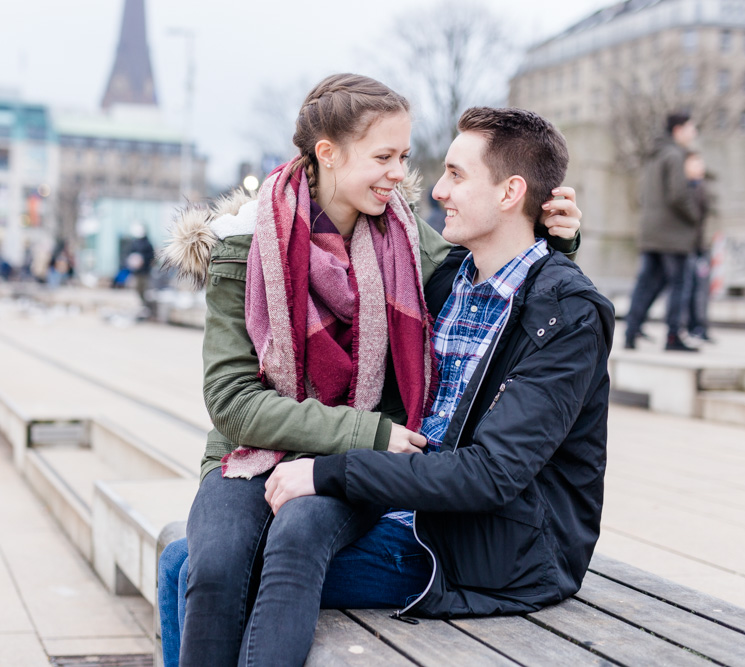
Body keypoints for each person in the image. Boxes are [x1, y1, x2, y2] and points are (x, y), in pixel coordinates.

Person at [160, 77, 583, 667]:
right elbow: (232, 401)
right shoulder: (243, 248)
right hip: (257, 450)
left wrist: (554, 235)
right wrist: (370, 434)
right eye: (383, 157)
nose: (401, 175)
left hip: (360, 469)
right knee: (207, 568)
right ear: (328, 153)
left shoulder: (406, 239)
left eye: (404, 157)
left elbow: (501, 271)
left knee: (265, 545)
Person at [264, 106, 613, 626]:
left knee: (205, 571)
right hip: (399, 507)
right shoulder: (449, 278)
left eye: (456, 175)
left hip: (480, 552)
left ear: (509, 192)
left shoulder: (570, 316)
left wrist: (330, 472)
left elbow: (492, 473)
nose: (437, 191)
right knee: (191, 557)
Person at [623, 112, 702, 352]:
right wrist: (694, 216)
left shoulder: (652, 156)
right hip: (673, 233)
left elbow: (641, 195)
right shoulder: (675, 154)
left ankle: (631, 331)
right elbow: (678, 194)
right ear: (678, 130)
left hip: (650, 231)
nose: (694, 133)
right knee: (679, 284)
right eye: (691, 128)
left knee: (646, 283)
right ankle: (673, 336)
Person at [684, 152, 713, 342]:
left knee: (700, 288)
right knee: (688, 288)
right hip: (686, 246)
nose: (700, 167)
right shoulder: (685, 188)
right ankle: (690, 326)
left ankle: (699, 327)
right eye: (695, 163)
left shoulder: (702, 187)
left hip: (699, 246)